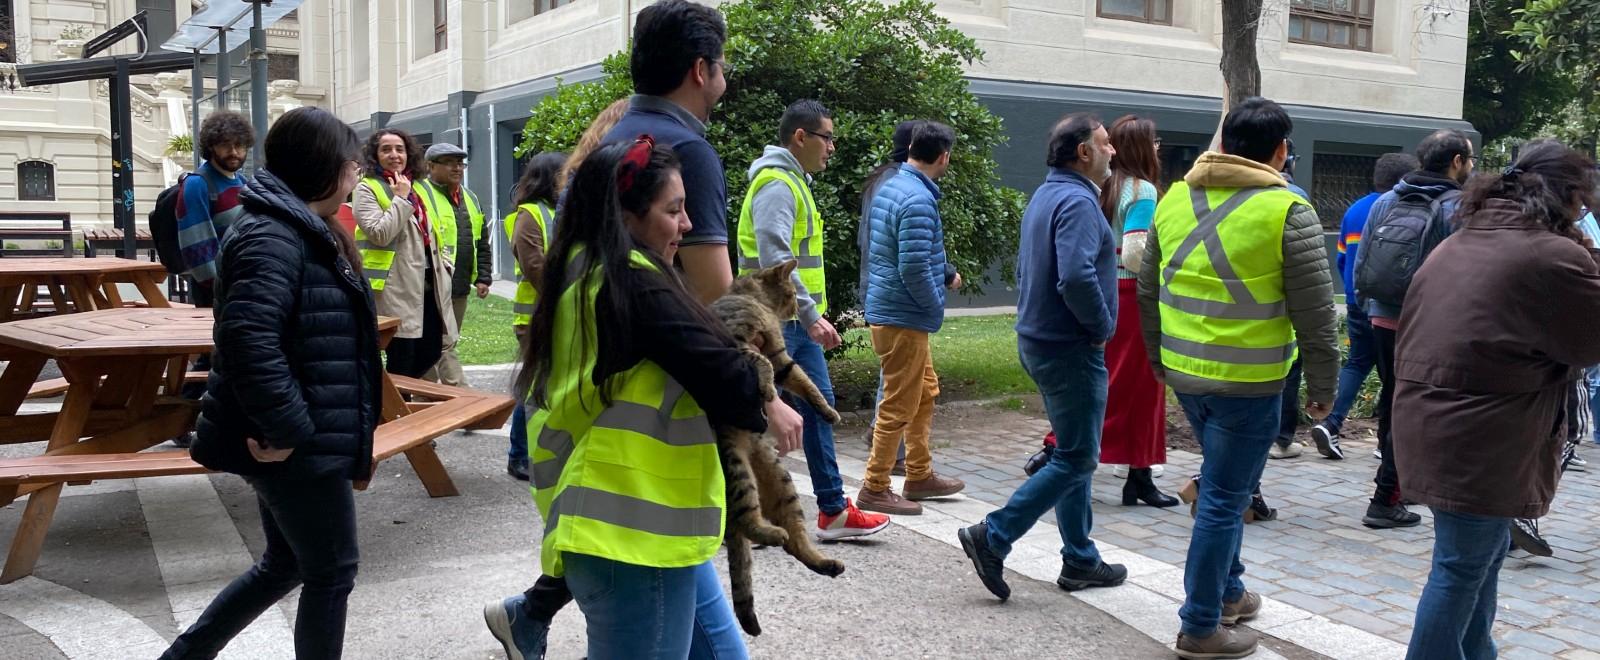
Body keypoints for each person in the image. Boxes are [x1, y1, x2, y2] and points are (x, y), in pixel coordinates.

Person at [519, 136, 802, 659]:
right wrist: (757, 361)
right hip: (629, 536)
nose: (688, 224)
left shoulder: (585, 265)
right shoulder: (635, 285)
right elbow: (738, 391)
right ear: (625, 216)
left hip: (647, 526)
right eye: (673, 211)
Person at [167, 107, 378, 659]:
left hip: (301, 432)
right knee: (331, 571)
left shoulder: (302, 226)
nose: (356, 174)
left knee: (286, 564)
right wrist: (286, 429)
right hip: (293, 440)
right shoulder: (272, 235)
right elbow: (248, 341)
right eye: (351, 164)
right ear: (322, 167)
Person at [1137, 97, 1339, 659]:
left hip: (1186, 375)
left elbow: (1149, 291)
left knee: (1222, 486)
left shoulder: (1174, 199)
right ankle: (1201, 625)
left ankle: (1229, 592)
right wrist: (1325, 389)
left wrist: (1158, 361)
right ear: (1281, 151)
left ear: (1223, 144)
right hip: (1250, 385)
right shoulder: (1288, 210)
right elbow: (1317, 315)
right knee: (1225, 499)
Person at [1395, 141, 1600, 660]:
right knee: (1461, 568)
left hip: (1436, 420)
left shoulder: (1465, 239)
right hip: (1484, 434)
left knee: (1476, 561)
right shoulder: (1550, 254)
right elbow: (1587, 342)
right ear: (1568, 196)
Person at [958, 113, 1129, 602]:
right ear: (1083, 152)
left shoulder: (1048, 194)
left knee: (1073, 452)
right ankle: (993, 536)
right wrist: (1101, 327)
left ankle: (1080, 559)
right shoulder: (1077, 201)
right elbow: (1075, 276)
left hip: (1041, 341)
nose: (1112, 151)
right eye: (1105, 143)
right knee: (1077, 457)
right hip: (1068, 347)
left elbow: (1029, 267)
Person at [483, 103, 634, 660]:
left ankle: (527, 613)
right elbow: (533, 268)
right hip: (542, 333)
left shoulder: (578, 231)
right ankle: (528, 613)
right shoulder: (558, 231)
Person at [737, 99, 891, 539]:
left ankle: (832, 510)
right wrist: (810, 315)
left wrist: (809, 316)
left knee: (819, 408)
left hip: (792, 323)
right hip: (776, 322)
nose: (832, 147)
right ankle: (747, 514)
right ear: (800, 137)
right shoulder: (777, 185)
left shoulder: (792, 183)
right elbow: (776, 255)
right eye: (827, 137)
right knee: (758, 414)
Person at [1352, 128, 1476, 530]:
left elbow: (1362, 261)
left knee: (1394, 400)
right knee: (1419, 410)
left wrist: (1368, 307)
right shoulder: (1457, 206)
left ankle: (1398, 488)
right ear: (1456, 161)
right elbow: (1464, 275)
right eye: (1470, 159)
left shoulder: (1388, 199)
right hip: (1428, 324)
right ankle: (1386, 497)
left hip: (1383, 317)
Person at [858, 121, 966, 515]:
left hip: (895, 311)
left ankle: (919, 474)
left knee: (924, 391)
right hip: (903, 316)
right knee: (898, 404)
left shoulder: (894, 186)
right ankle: (875, 487)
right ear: (944, 157)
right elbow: (915, 268)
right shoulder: (918, 198)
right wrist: (935, 304)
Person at [601, 0, 733, 304]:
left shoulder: (609, 140)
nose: (724, 82)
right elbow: (715, 292)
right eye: (722, 69)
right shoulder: (690, 152)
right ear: (700, 70)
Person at [1310, 152, 1419, 458]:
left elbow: (1342, 258)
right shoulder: (1402, 208)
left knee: (1358, 362)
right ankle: (1387, 442)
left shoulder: (1355, 209)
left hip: (1357, 300)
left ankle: (1331, 422)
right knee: (1393, 373)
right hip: (1388, 306)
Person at [1095, 115, 1176, 508]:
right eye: (1154, 141)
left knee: (1107, 379)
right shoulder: (1143, 190)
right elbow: (1135, 251)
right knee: (1145, 387)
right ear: (1143, 148)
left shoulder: (1104, 186)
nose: (1158, 147)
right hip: (1133, 295)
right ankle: (1139, 474)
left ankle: (1058, 446)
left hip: (1105, 290)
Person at [171, 110, 256, 447]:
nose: (234, 152)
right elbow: (196, 247)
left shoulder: (241, 182)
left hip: (241, 285)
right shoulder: (197, 184)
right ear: (211, 147)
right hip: (216, 288)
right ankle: (178, 418)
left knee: (223, 353)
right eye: (225, 145)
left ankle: (194, 419)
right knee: (213, 354)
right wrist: (221, 288)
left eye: (239, 145)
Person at [352, 128, 457, 378]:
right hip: (395, 286)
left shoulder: (417, 186)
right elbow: (379, 233)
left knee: (432, 350)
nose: (394, 155)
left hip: (429, 284)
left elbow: (431, 231)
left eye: (399, 149)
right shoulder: (367, 188)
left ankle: (396, 396)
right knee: (402, 356)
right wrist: (400, 198)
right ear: (375, 155)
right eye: (386, 149)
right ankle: (395, 400)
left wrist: (446, 265)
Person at [860, 120, 924, 476]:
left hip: (881, 288)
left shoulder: (884, 179)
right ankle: (888, 456)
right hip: (892, 294)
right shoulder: (899, 183)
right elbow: (903, 251)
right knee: (898, 375)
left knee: (899, 372)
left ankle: (893, 446)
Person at [503, 152, 566, 481]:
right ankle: (519, 455)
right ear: (549, 178)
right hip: (535, 318)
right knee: (533, 387)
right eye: (563, 175)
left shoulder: (558, 211)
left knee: (546, 384)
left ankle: (540, 450)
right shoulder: (529, 214)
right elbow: (534, 267)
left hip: (555, 313)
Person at [416, 143, 494, 388]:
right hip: (430, 285)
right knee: (442, 341)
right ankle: (458, 392)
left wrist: (483, 276)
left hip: (458, 285)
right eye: (449, 162)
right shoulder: (419, 193)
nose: (457, 168)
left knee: (445, 341)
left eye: (460, 163)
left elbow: (481, 240)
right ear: (431, 166)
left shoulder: (470, 197)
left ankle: (427, 394)